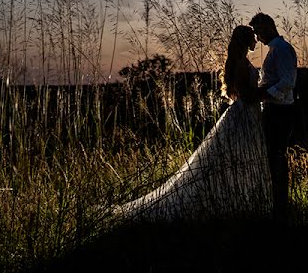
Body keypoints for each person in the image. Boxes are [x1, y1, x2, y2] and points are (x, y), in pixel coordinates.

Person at [113, 25, 272, 222]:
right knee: (234, 159)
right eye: (252, 38)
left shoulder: (240, 60)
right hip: (244, 115)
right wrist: (266, 92)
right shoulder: (239, 63)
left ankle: (242, 201)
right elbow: (243, 94)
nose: (256, 41)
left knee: (237, 160)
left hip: (247, 114)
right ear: (245, 40)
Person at [249, 12, 297, 222]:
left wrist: (265, 94)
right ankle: (276, 204)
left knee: (276, 156)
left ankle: (281, 207)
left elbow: (288, 81)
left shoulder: (283, 49)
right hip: (272, 109)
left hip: (280, 111)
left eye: (258, 32)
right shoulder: (275, 49)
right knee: (271, 157)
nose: (257, 38)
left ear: (268, 28)